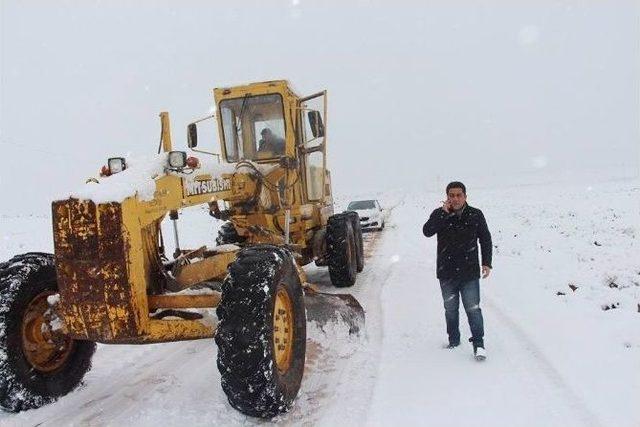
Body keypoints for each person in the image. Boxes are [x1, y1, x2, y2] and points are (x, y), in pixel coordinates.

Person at [423, 181, 492, 360]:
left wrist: (486, 262)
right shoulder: (440, 214)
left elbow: (485, 238)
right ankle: (453, 340)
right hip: (447, 273)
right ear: (447, 197)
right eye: (451, 195)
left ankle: (479, 344)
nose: (455, 199)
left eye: (458, 195)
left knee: (473, 308)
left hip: (469, 273)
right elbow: (427, 231)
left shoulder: (475, 215)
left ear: (465, 196)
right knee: (451, 309)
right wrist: (443, 214)